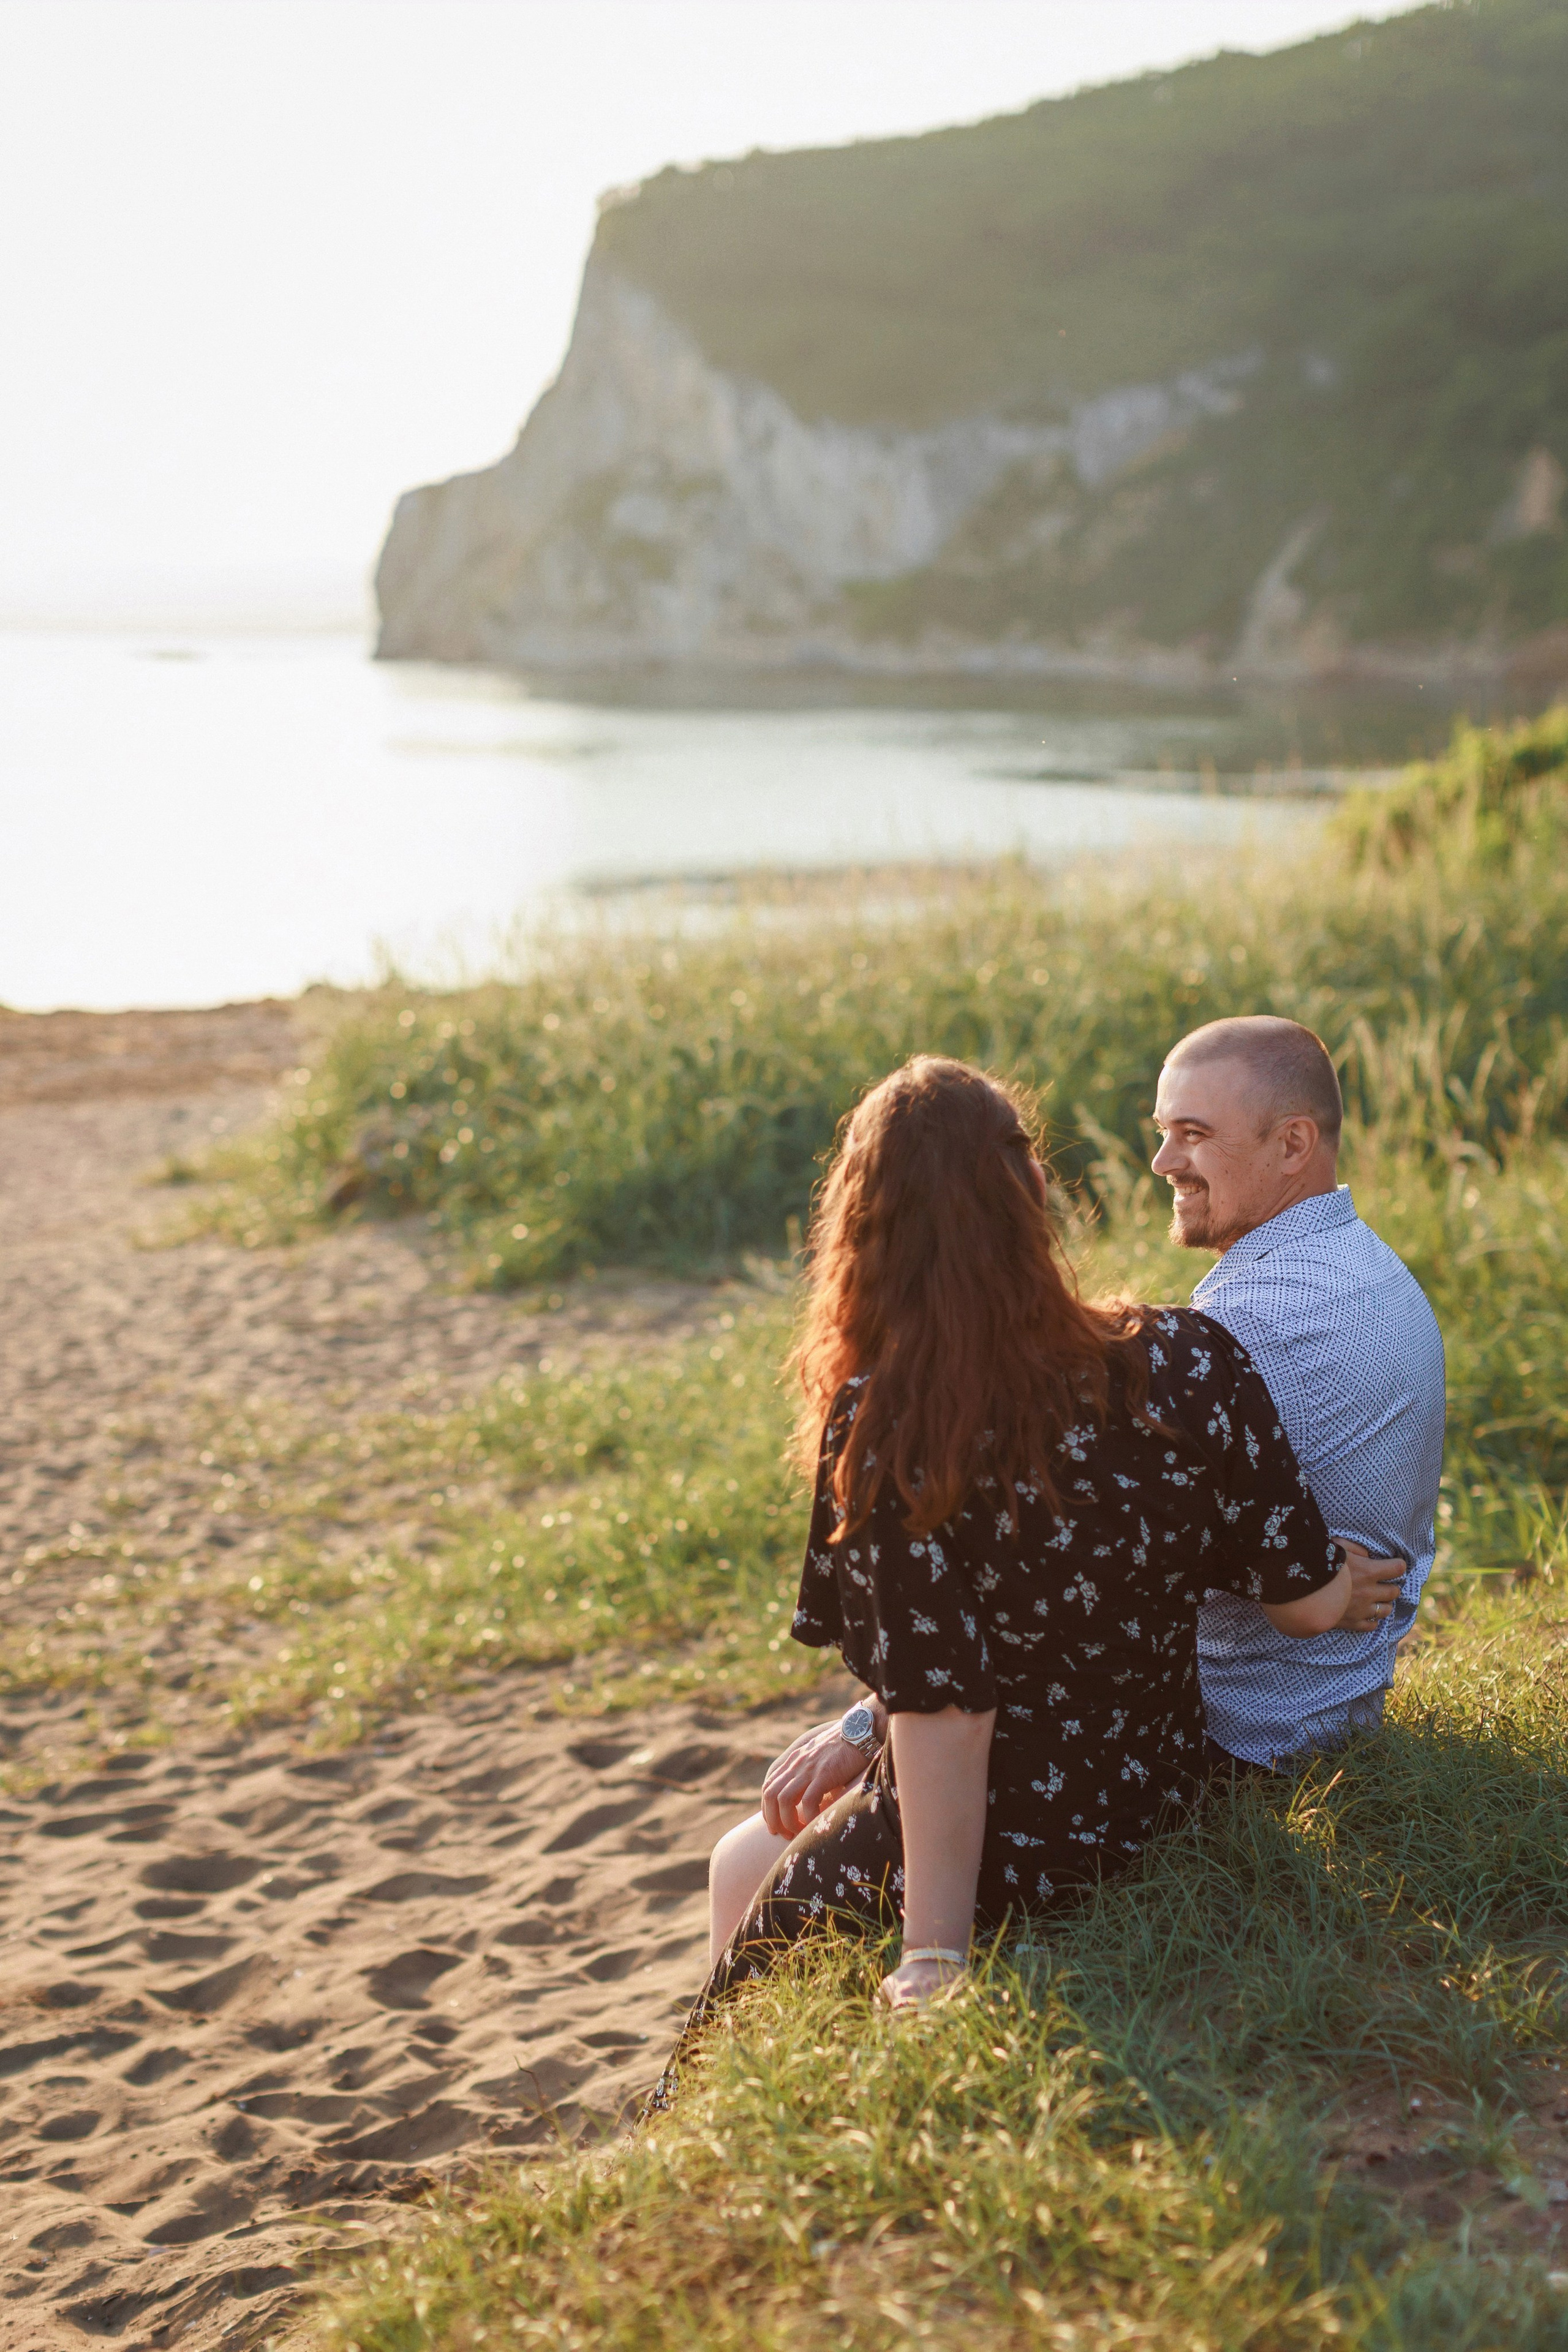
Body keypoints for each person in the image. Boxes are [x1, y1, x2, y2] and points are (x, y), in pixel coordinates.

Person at [683, 1055, 1348, 2052]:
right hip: (1158, 1801)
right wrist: (1353, 1582)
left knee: (742, 1869)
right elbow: (1300, 1599)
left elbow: (947, 1706)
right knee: (751, 1852)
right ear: (1033, 1191)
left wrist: (935, 1955)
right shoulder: (1188, 1357)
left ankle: (710, 2086)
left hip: (1016, 1845)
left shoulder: (892, 1426)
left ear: (866, 1234)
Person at [1151, 1016, 1446, 1772]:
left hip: (1226, 1736)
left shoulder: (1247, 1322)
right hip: (1332, 1711)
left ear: (1292, 1144)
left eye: (1192, 1133)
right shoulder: (1372, 1265)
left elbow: (1105, 1551)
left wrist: (868, 1724)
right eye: (1161, 1131)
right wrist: (1303, 1574)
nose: (1161, 1161)